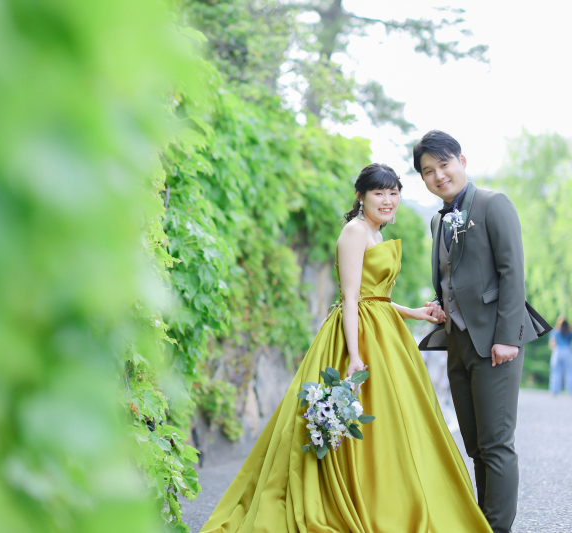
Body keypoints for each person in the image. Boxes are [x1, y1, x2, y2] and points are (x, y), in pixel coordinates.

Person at [199, 164, 492, 533]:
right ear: (361, 196)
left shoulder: (375, 232)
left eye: (393, 193)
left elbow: (376, 296)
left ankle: (385, 495)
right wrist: (354, 355)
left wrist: (414, 312)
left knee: (393, 419)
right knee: (357, 415)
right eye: (378, 193)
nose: (387, 200)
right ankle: (352, 496)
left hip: (384, 331)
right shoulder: (354, 232)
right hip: (358, 335)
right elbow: (351, 298)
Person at [414, 130, 551, 533]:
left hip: (495, 342)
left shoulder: (494, 204)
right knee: (475, 444)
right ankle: (484, 522)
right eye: (428, 171)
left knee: (496, 442)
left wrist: (508, 337)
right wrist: (439, 303)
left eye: (444, 164)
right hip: (457, 343)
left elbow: (512, 273)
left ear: (462, 162)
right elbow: (451, 278)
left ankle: (497, 528)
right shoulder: (438, 221)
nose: (438, 175)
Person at [549, 317, 572, 394]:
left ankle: (555, 390)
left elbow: (552, 343)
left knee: (556, 371)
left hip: (557, 350)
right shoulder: (569, 331)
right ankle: (570, 390)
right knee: (569, 371)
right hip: (567, 350)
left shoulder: (555, 331)